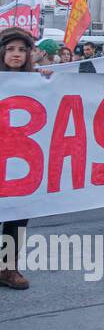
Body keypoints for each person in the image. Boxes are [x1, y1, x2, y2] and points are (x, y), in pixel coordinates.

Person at [0, 27, 37, 289]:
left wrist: (47, 80)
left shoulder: (36, 82)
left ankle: (7, 268)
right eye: (11, 49)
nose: (16, 54)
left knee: (17, 215)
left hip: (21, 162)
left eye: (22, 50)